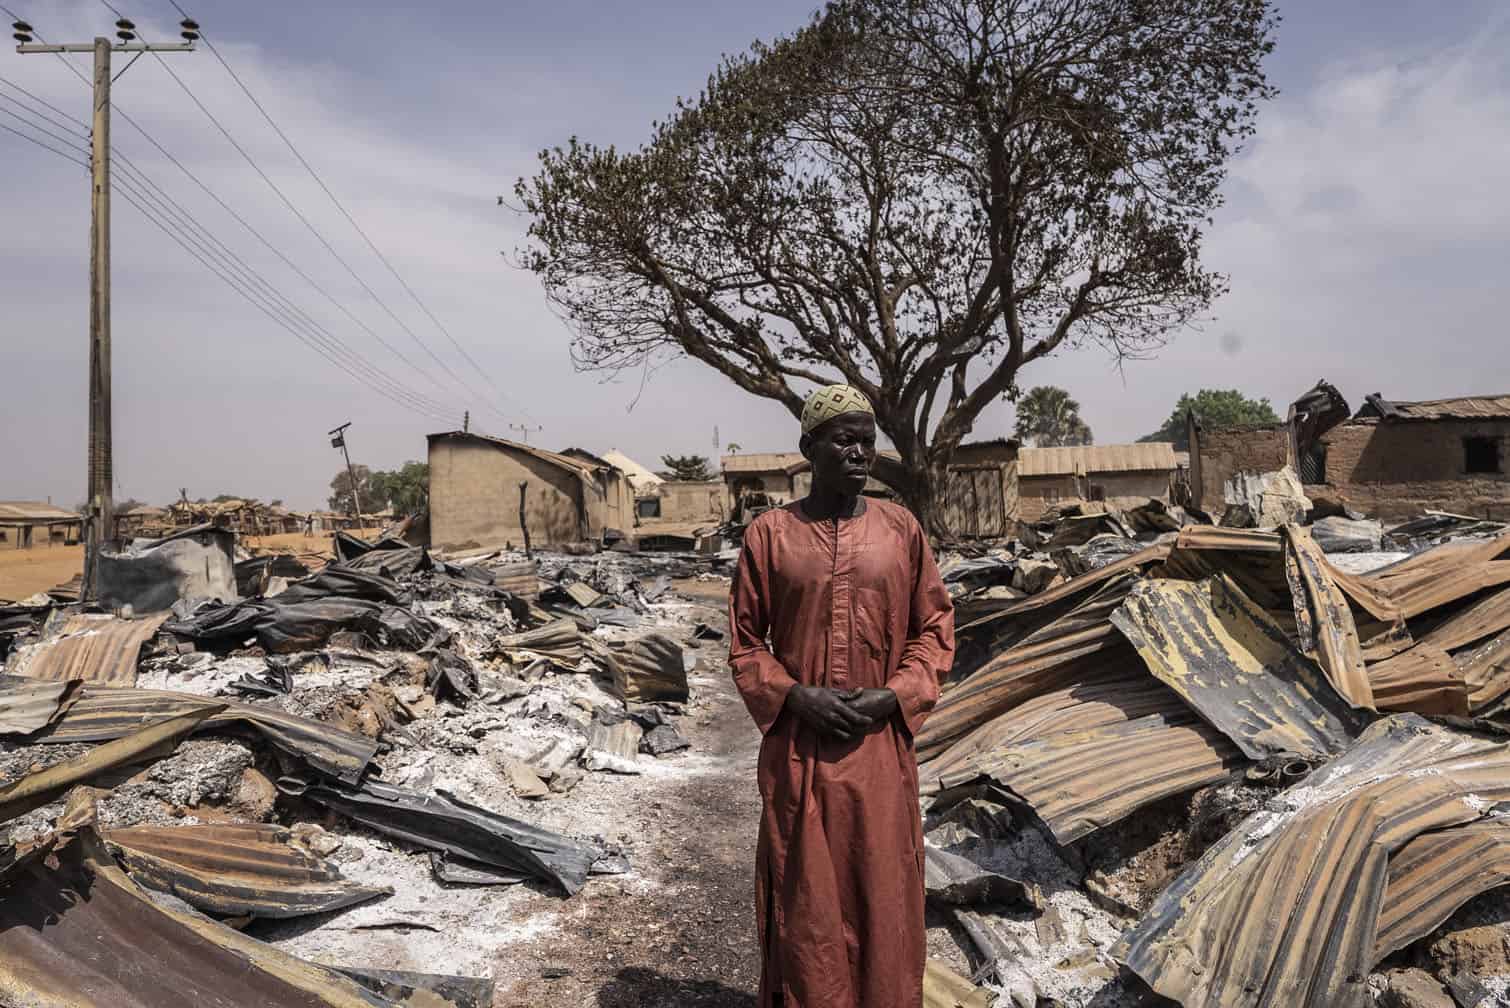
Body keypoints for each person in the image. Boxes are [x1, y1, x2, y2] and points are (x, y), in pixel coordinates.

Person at [728, 384, 956, 1008]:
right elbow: (746, 645)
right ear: (809, 448)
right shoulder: (770, 534)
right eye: (843, 439)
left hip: (879, 755)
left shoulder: (900, 528)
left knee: (883, 897)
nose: (860, 452)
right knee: (807, 911)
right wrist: (796, 696)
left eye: (867, 440)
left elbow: (933, 630)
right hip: (800, 755)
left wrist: (896, 695)